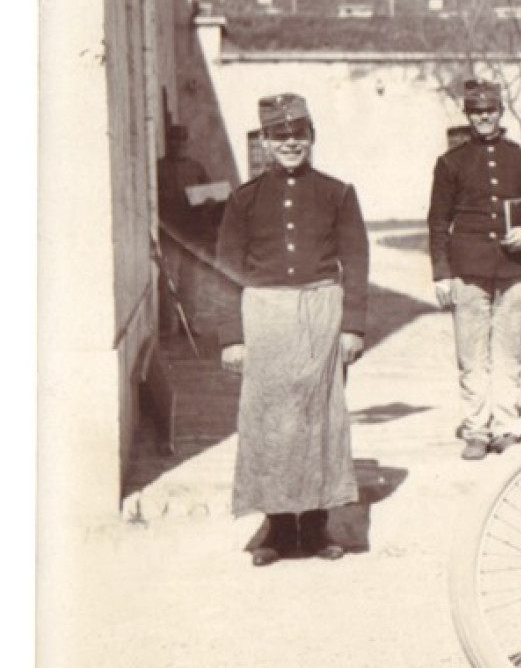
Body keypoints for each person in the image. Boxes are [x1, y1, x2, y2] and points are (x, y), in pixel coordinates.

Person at [216, 94, 369, 567]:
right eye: (279, 136)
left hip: (321, 312)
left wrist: (353, 327)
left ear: (311, 137)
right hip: (265, 316)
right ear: (264, 142)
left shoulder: (337, 193)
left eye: (298, 135)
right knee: (270, 422)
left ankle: (317, 523)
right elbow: (225, 269)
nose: (289, 144)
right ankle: (279, 527)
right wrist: (231, 337)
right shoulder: (244, 199)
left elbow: (357, 263)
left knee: (319, 418)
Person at [427, 79, 521, 460]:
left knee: (509, 352)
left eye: (491, 110)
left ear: (501, 112)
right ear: (468, 115)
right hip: (468, 271)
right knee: (472, 354)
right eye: (477, 112)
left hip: (515, 271)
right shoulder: (451, 163)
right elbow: (437, 221)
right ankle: (476, 429)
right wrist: (442, 273)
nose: (484, 117)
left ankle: (505, 425)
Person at [156, 124, 212, 336]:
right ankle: (165, 326)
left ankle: (188, 323)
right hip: (169, 232)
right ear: (168, 142)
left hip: (191, 233)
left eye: (182, 141)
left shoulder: (196, 168)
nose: (177, 145)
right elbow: (153, 198)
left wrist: (206, 202)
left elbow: (209, 194)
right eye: (173, 140)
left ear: (187, 143)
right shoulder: (159, 167)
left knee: (191, 281)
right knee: (168, 279)